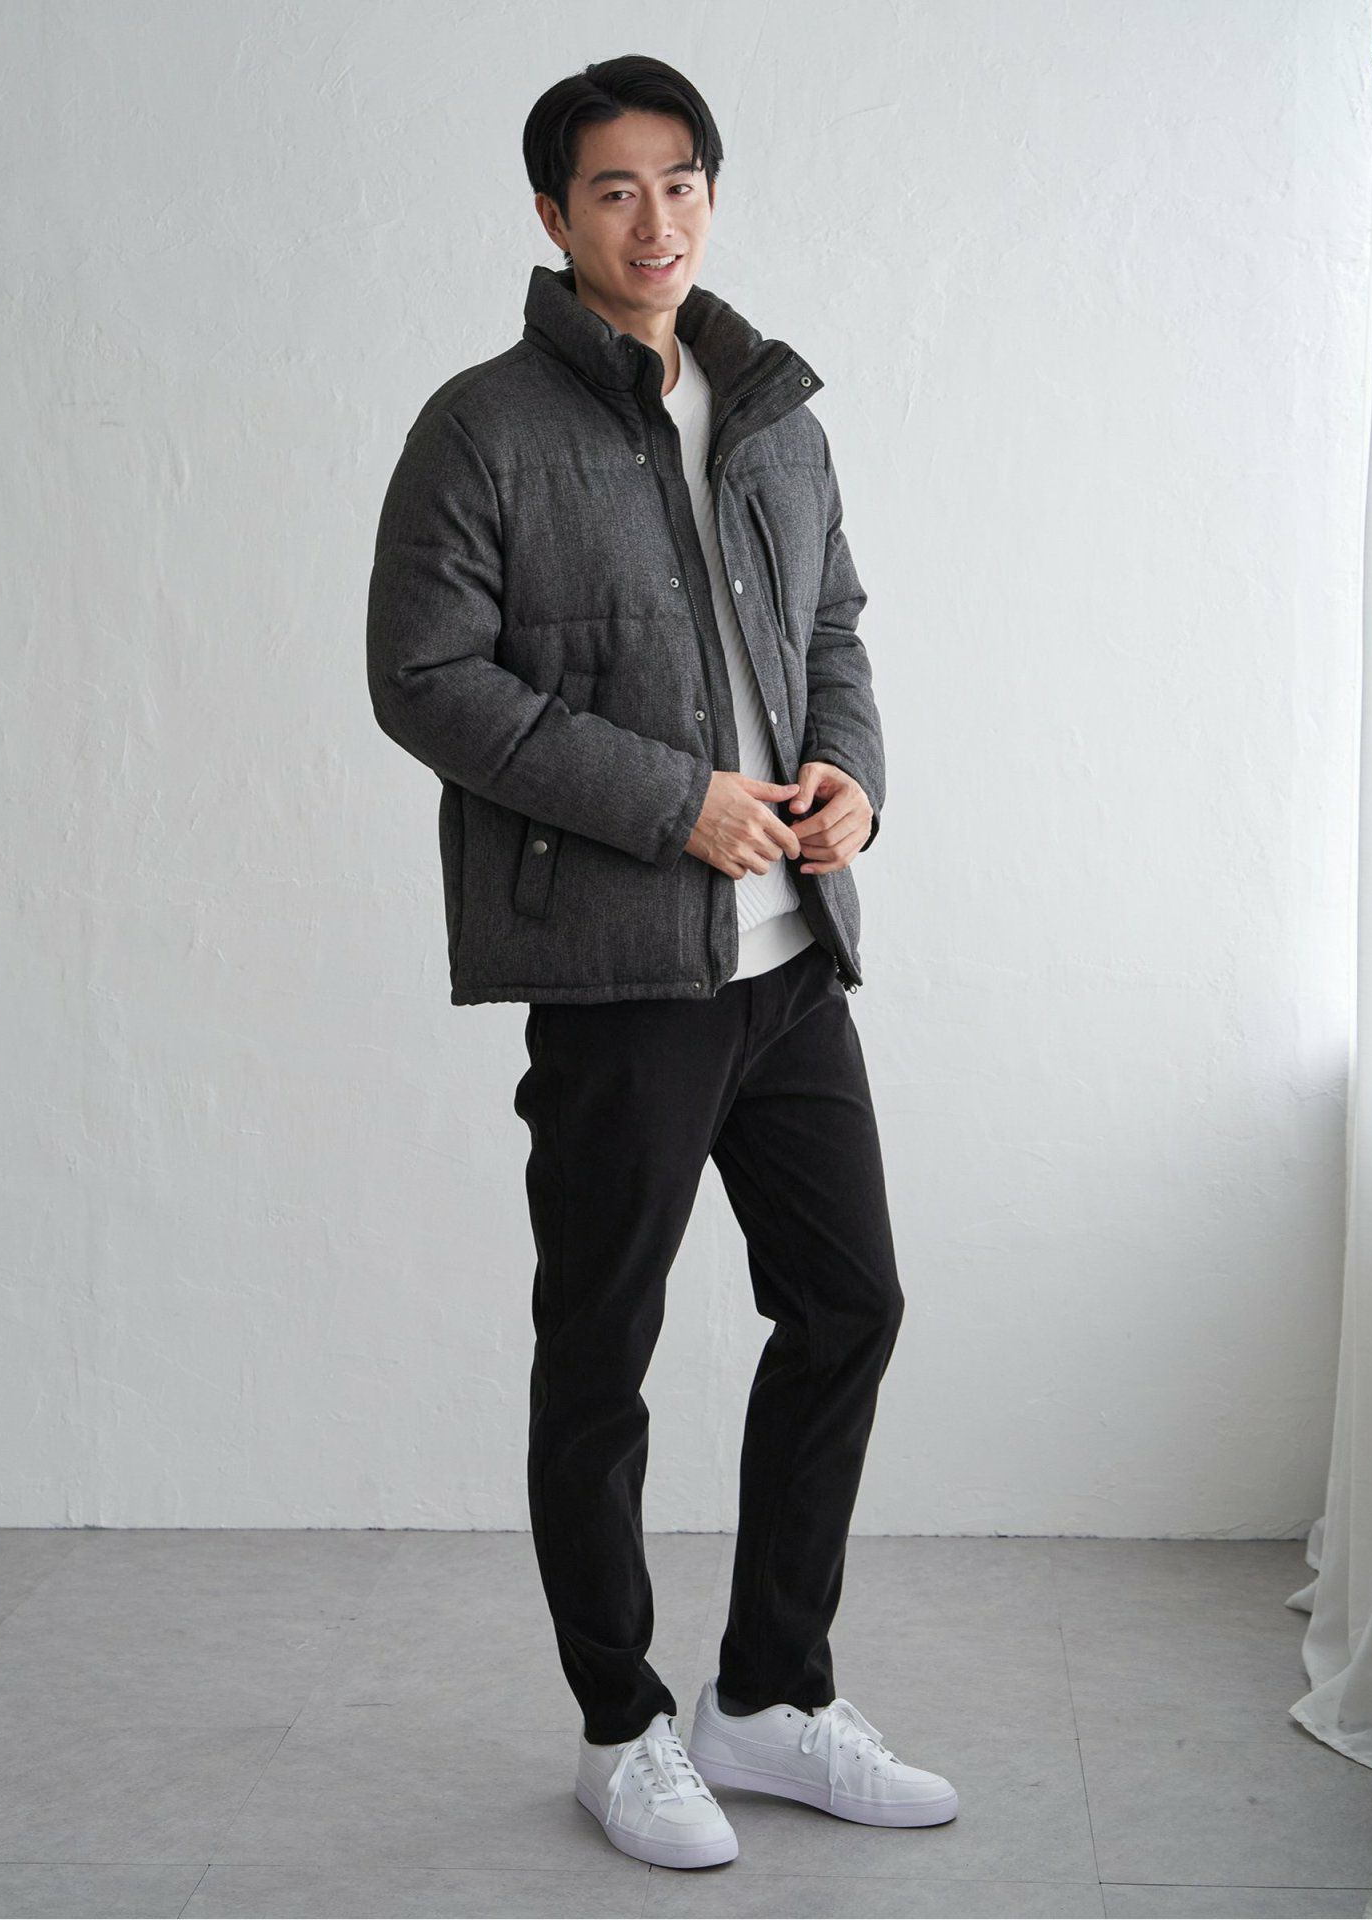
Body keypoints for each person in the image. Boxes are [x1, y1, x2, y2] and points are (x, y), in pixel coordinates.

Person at [366, 52, 958, 1870]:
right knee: (602, 1350)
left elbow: (832, 624)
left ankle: (769, 1696)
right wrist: (667, 803)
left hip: (791, 963)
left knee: (850, 1303)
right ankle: (619, 1725)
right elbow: (424, 680)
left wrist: (850, 779)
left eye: (681, 182)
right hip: (624, 977)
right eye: (614, 189)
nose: (655, 220)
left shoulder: (771, 409)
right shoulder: (482, 428)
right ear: (553, 215)